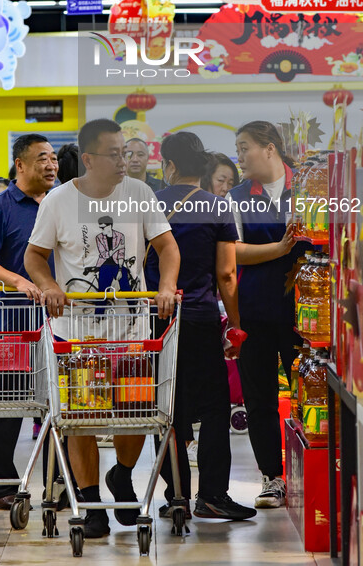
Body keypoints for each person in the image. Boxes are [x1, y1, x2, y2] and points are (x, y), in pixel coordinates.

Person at [25, 118, 179, 539]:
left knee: (135, 412)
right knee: (83, 418)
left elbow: (167, 246)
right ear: (89, 158)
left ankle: (122, 475)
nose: (124, 160)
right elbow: (35, 257)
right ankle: (91, 505)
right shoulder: (57, 201)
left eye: (126, 152)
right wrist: (49, 286)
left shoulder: (140, 194)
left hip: (132, 332)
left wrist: (165, 286)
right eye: (114, 154)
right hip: (77, 334)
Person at [145, 132, 256, 522]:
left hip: (156, 321)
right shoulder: (217, 207)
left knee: (168, 409)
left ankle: (175, 495)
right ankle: (211, 495)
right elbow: (226, 274)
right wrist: (235, 325)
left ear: (169, 166)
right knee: (213, 409)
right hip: (202, 319)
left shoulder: (148, 203)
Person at [0, 134, 58, 510]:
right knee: (7, 407)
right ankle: (0, 488)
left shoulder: (62, 204)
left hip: (59, 324)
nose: (51, 164)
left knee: (60, 406)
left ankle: (57, 486)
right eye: (42, 158)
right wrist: (18, 280)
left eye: (53, 157)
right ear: (20, 165)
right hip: (13, 322)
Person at [231, 121, 306, 509]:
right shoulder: (237, 196)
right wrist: (278, 249)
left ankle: (316, 465)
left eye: (245, 147)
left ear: (270, 148)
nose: (240, 156)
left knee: (310, 389)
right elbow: (233, 251)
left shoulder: (309, 188)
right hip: (255, 310)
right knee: (259, 396)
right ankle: (272, 477)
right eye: (238, 148)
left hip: (308, 314)